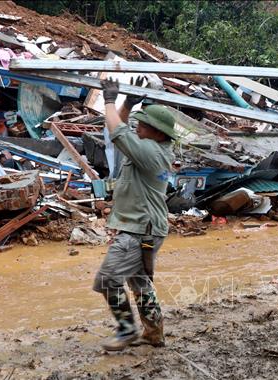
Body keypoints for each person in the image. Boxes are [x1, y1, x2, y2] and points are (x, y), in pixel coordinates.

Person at [92, 78, 177, 351]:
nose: (137, 126)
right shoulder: (151, 147)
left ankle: (126, 329)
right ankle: (154, 332)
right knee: (139, 281)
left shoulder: (150, 152)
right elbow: (123, 129)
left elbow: (116, 132)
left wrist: (108, 100)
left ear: (159, 133)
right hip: (148, 227)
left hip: (141, 229)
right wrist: (127, 103)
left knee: (107, 279)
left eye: (143, 124)